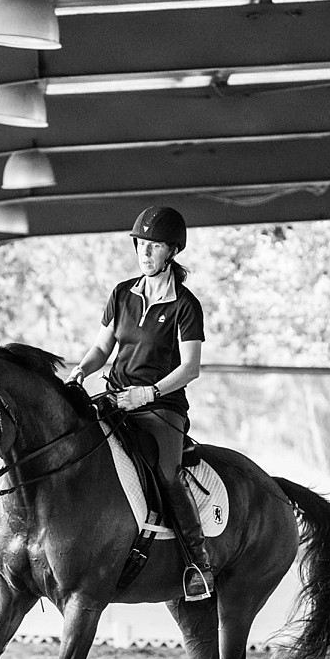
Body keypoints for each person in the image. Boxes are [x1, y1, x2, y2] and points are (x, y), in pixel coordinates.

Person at [66, 206, 215, 601]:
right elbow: (102, 347)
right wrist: (82, 370)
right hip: (114, 398)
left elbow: (191, 368)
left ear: (172, 251)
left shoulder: (185, 306)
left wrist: (148, 394)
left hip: (160, 409)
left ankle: (198, 563)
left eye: (154, 246)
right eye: (141, 245)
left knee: (166, 475)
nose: (145, 253)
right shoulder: (121, 294)